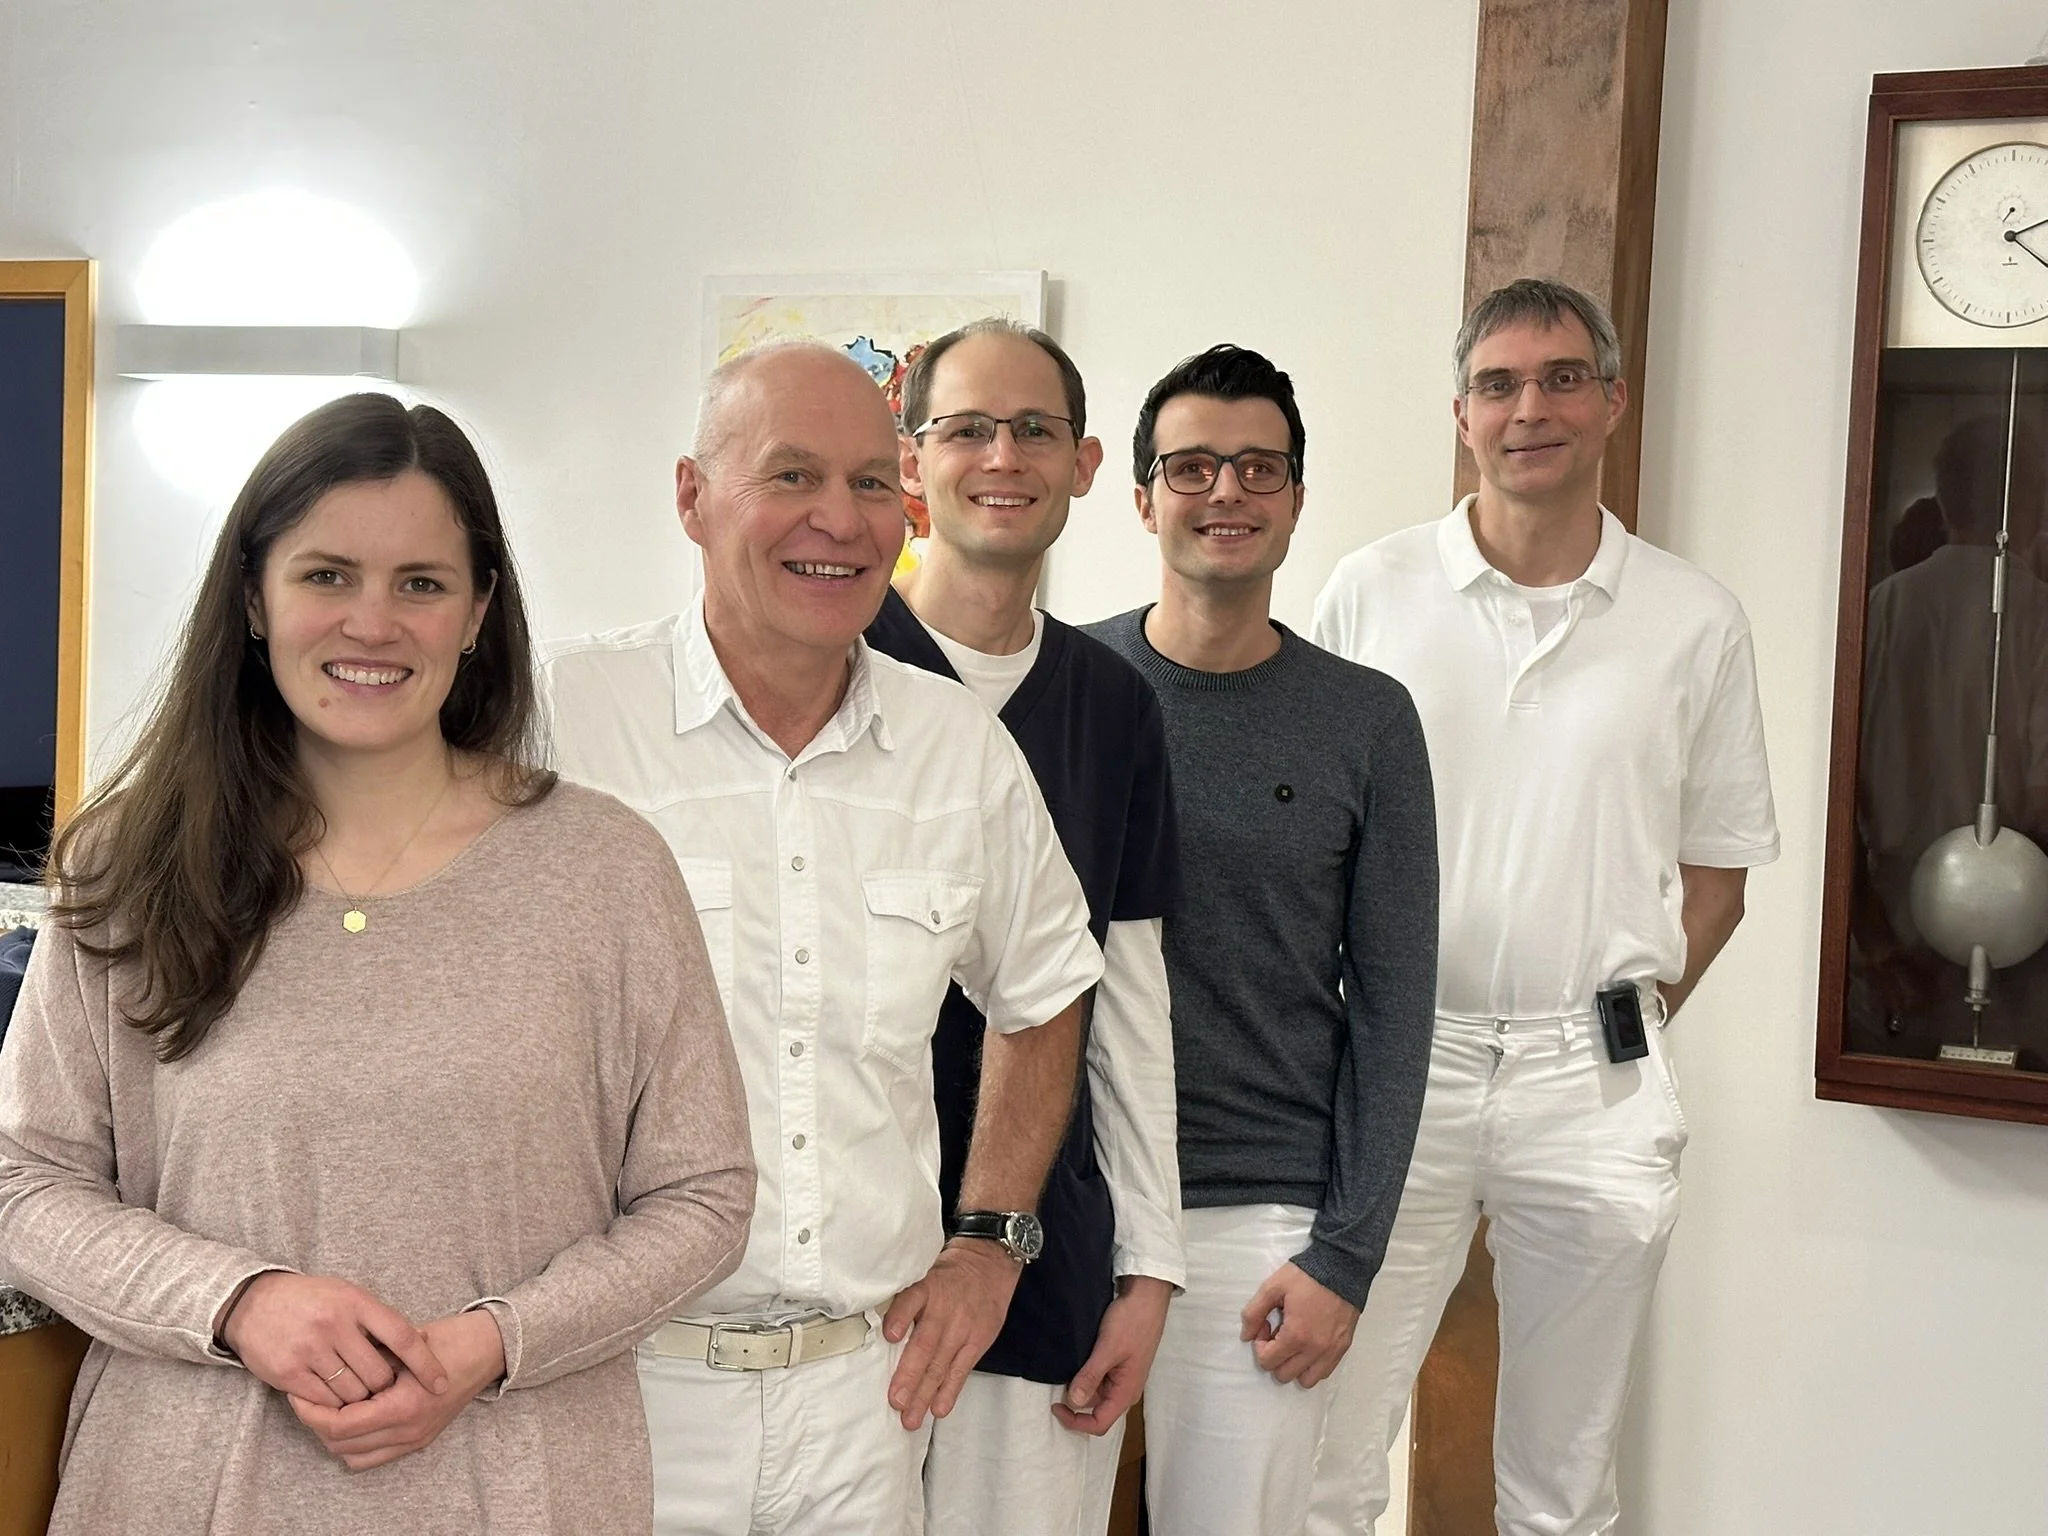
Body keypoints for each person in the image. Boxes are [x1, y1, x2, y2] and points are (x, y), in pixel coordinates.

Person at [0, 392, 756, 1535]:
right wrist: (239, 1303)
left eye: (421, 584)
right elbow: (25, 1181)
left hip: (519, 1492)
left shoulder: (606, 872)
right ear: (253, 599)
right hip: (185, 1492)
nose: (372, 622)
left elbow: (702, 1197)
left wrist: (492, 1342)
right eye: (326, 575)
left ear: (478, 610)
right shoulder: (131, 862)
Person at [541, 341, 1103, 1535]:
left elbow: (1047, 987)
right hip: (615, 1385)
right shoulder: (560, 725)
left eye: (867, 484)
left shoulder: (955, 747)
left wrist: (992, 1240)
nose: (838, 522)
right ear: (691, 496)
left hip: (866, 1397)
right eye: (790, 475)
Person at [1307, 277, 1779, 1536]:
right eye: (1498, 384)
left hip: (1594, 1081)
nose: (1530, 409)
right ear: (1459, 413)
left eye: (1562, 378)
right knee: (1322, 1455)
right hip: (1394, 1065)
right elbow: (1313, 842)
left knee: (1562, 1487)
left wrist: (1614, 1019)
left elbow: (1718, 879)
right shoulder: (1370, 591)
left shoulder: (1693, 619)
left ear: (1611, 400)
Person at [1086, 344, 1439, 1536]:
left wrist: (1345, 1254)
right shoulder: (1063, 684)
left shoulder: (1366, 720)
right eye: (1191, 466)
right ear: (1143, 498)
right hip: (1071, 1194)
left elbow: (1394, 1005)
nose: (1225, 490)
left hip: (1259, 1215)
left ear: (1294, 498)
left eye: (1257, 467)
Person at [866, 318, 1183, 1533]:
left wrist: (1148, 1267)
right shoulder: (839, 665)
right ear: (912, 461)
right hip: (850, 1260)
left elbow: (1130, 1001)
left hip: (1038, 1254)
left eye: (1035, 430)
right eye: (967, 429)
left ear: (1085, 464)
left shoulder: (1113, 707)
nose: (1002, 456)